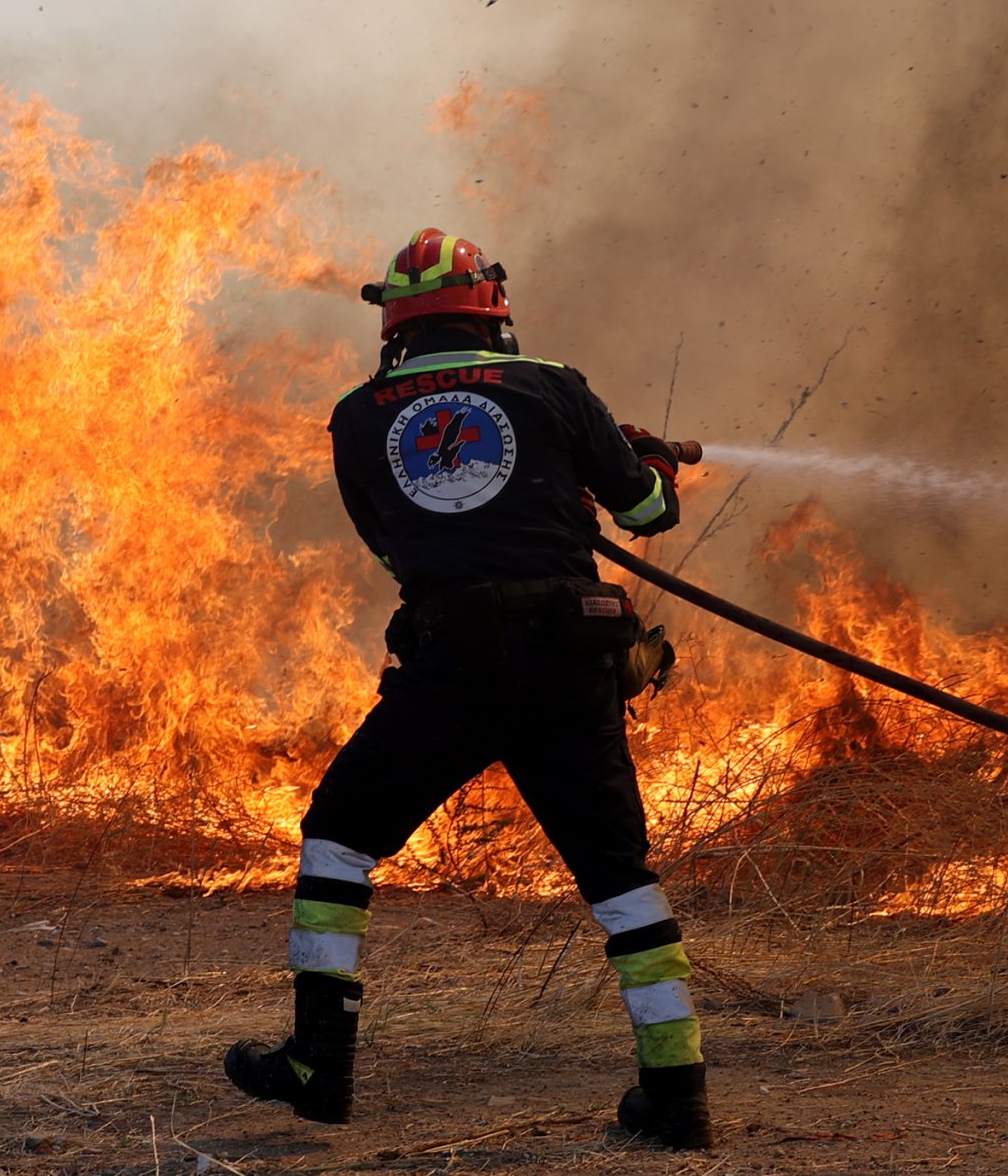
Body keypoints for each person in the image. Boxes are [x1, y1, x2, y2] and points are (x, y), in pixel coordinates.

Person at [225, 228, 713, 1151]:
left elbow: (394, 550)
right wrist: (637, 463)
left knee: (338, 839)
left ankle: (318, 1064)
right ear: (492, 307)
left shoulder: (359, 414)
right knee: (621, 881)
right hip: (573, 662)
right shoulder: (554, 382)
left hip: (453, 665)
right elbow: (650, 512)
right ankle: (678, 1094)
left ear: (396, 320)